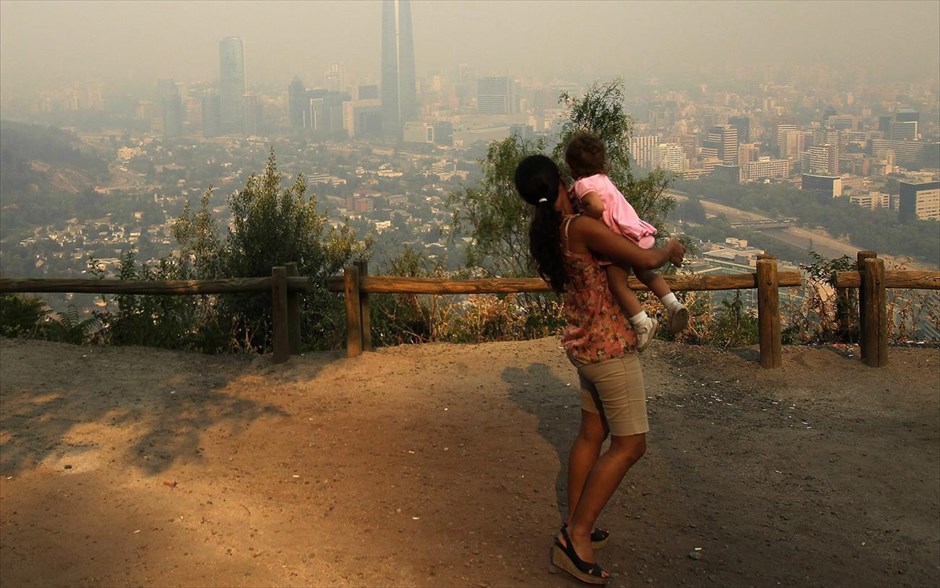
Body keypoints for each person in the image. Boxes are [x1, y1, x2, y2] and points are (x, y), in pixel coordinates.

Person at [514, 154, 685, 585]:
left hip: (584, 345)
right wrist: (671, 249)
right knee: (632, 445)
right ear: (559, 180)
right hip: (609, 350)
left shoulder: (553, 232)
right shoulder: (581, 228)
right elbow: (643, 260)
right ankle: (576, 537)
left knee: (592, 434)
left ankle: (576, 520)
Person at [564, 131, 689, 350]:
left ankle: (643, 323)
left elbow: (597, 206)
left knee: (617, 284)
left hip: (621, 239)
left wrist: (584, 222)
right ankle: (672, 304)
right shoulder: (603, 179)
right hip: (636, 231)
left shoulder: (583, 185)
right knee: (645, 273)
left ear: (572, 166)